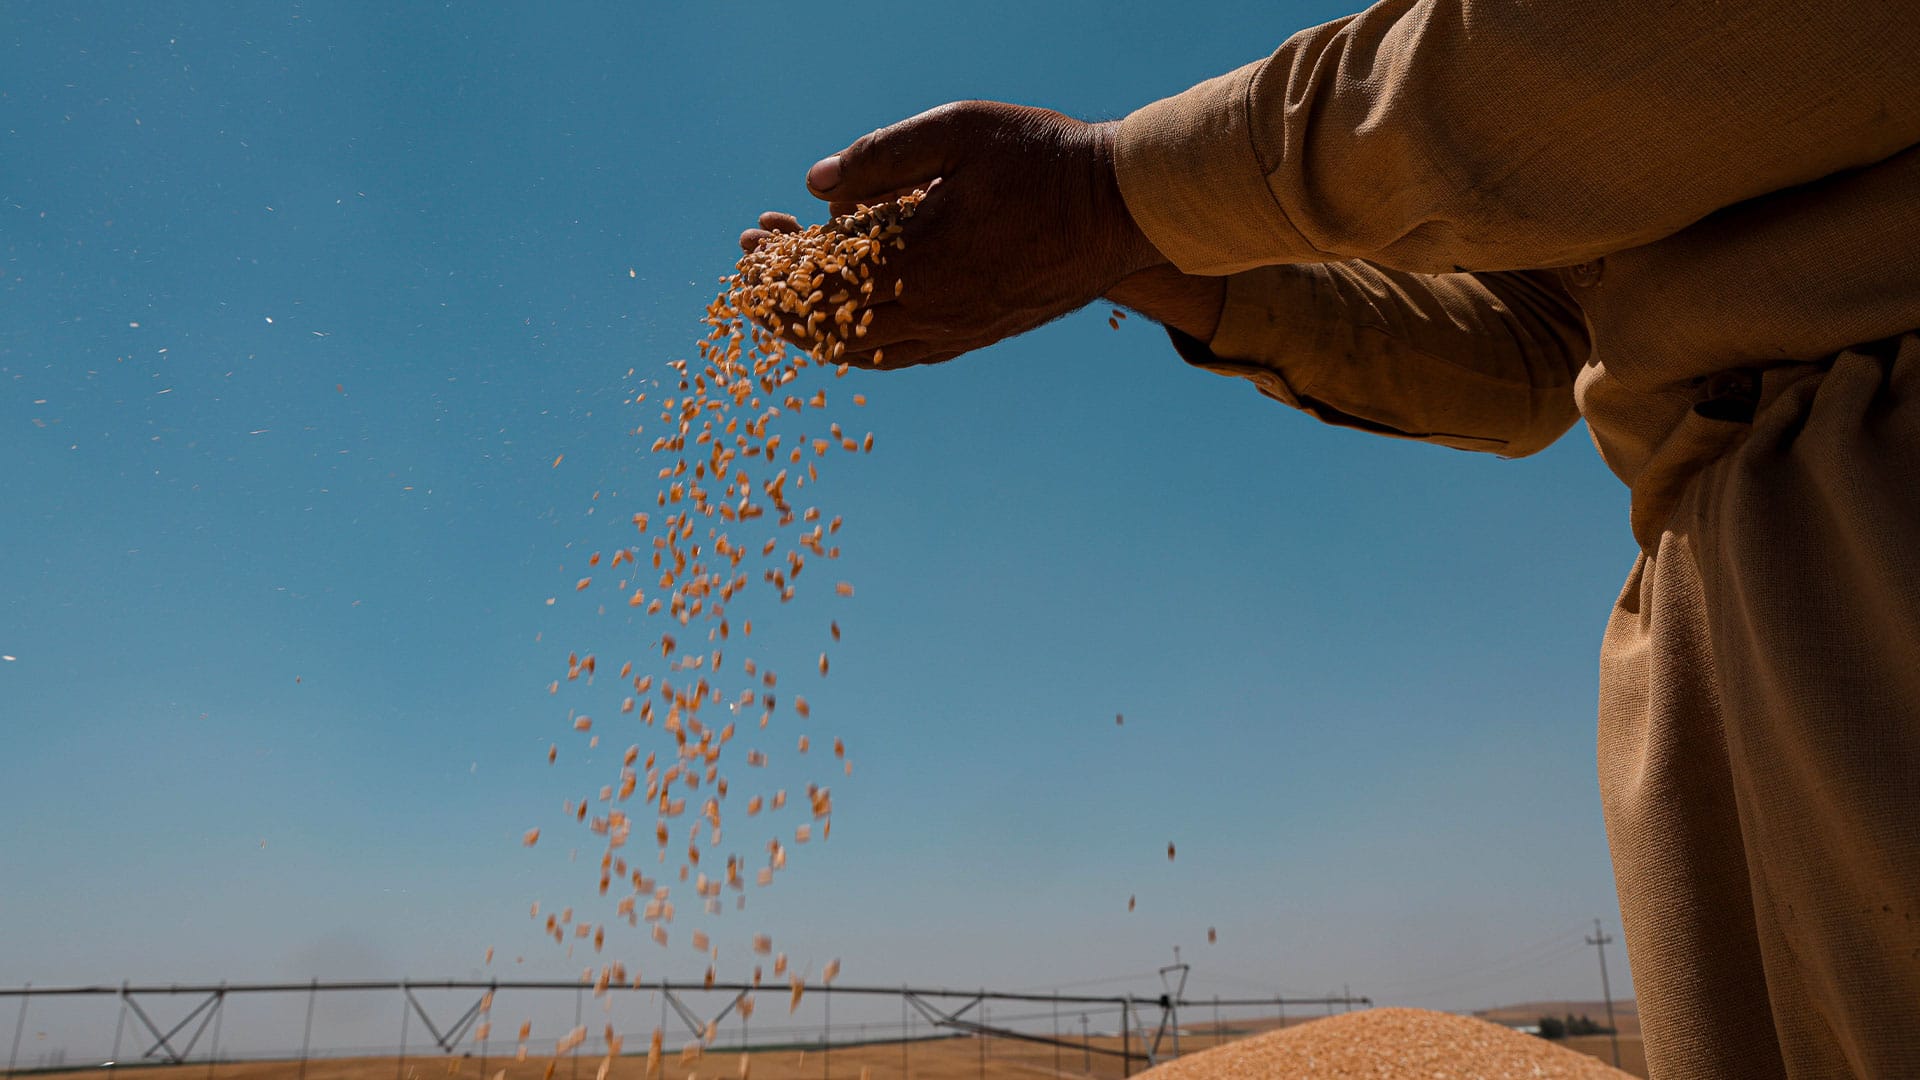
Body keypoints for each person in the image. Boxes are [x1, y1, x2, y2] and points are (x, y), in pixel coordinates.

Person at [740, 1, 1920, 1076]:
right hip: (1718, 563)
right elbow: (1532, 356)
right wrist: (1135, 250)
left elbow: (1611, 50)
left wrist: (1112, 190)